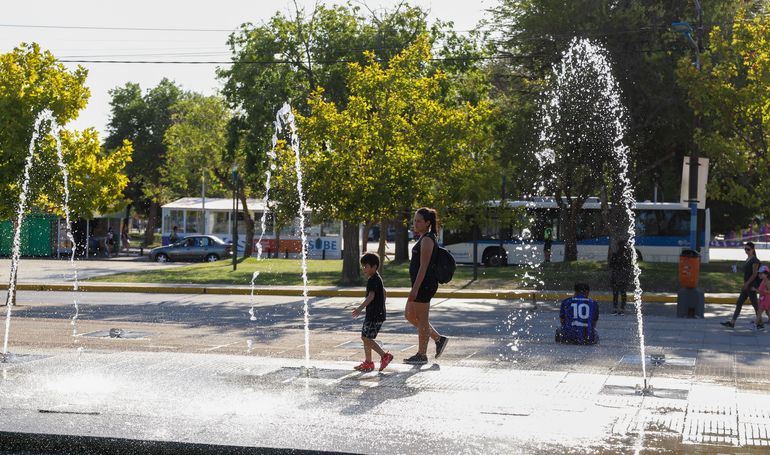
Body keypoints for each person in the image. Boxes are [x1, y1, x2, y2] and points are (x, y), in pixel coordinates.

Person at [404, 207, 449, 365]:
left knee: (422, 319)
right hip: (419, 284)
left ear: (427, 223)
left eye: (419, 221)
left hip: (424, 285)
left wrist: (415, 289)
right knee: (410, 315)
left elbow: (423, 267)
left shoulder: (428, 240)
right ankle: (438, 339)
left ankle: (422, 354)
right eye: (414, 220)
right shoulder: (423, 237)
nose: (415, 223)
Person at [351, 253, 393, 372]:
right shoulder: (377, 278)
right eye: (363, 266)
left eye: (366, 266)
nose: (364, 269)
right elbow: (385, 292)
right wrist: (382, 306)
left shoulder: (372, 280)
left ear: (374, 267)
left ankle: (385, 356)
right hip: (375, 314)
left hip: (374, 315)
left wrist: (359, 309)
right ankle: (368, 362)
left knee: (367, 338)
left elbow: (371, 296)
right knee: (365, 337)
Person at [721, 241, 761, 328]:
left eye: (748, 249)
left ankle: (760, 323)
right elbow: (746, 271)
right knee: (739, 303)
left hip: (751, 286)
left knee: (755, 305)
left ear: (753, 249)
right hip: (746, 286)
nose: (746, 251)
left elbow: (754, 274)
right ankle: (732, 322)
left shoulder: (755, 261)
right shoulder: (748, 259)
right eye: (745, 249)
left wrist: (747, 283)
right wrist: (736, 269)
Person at [609, 240, 631, 315]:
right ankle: (622, 309)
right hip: (623, 276)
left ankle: (616, 308)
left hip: (616, 276)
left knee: (616, 293)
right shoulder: (626, 256)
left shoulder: (615, 255)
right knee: (622, 293)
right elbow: (628, 266)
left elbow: (611, 265)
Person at [755, 265, 770, 331]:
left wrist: (765, 291)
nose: (759, 275)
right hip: (762, 299)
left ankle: (755, 325)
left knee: (759, 312)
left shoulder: (768, 282)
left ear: (766, 274)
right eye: (759, 273)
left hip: (766, 299)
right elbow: (761, 291)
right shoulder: (762, 281)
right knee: (767, 312)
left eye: (761, 273)